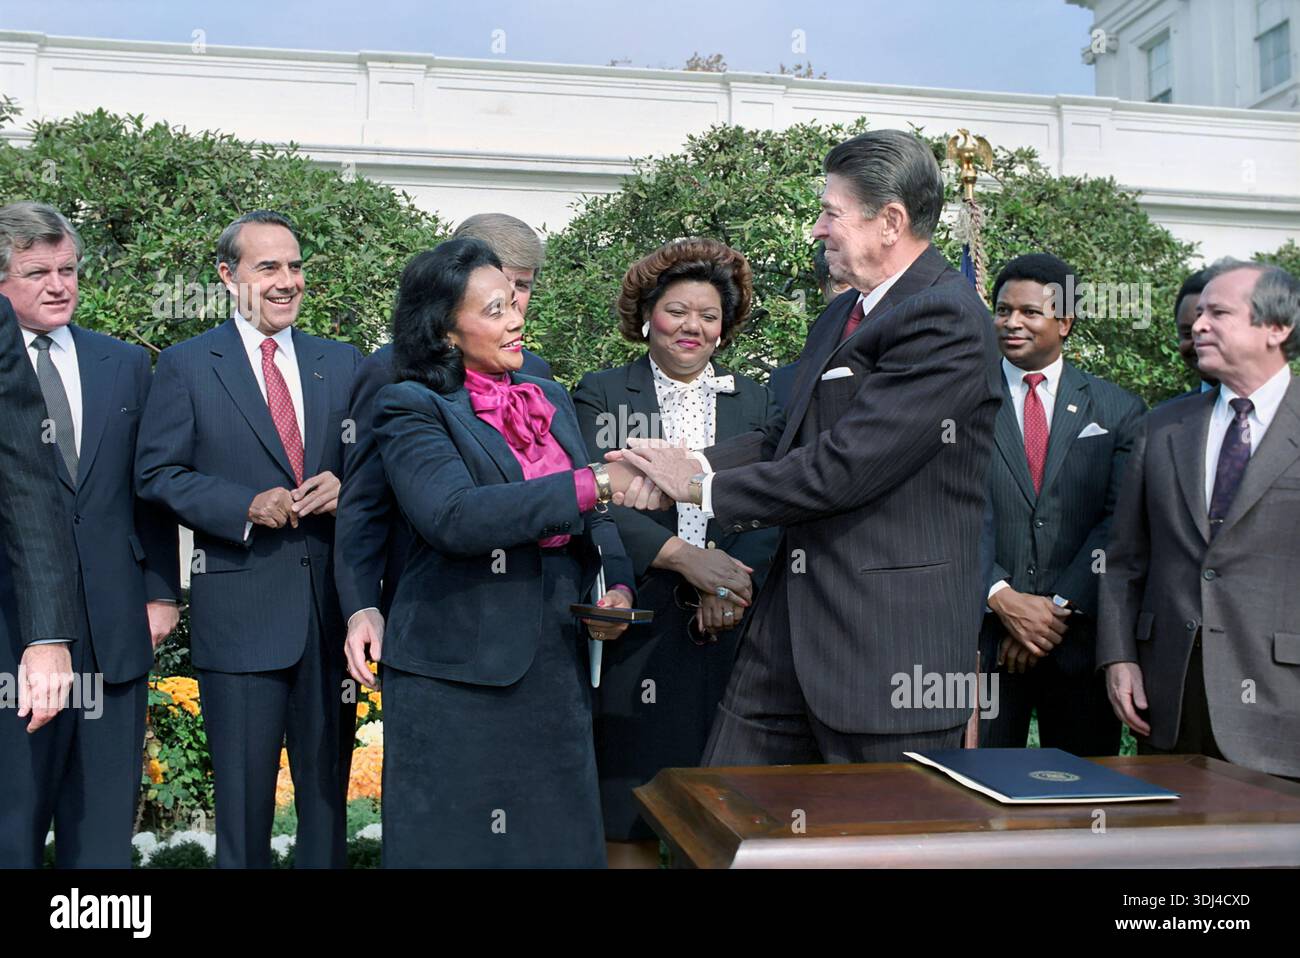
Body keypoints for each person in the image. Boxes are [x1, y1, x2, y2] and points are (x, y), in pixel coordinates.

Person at [615, 129, 1002, 765]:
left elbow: (846, 467)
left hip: (887, 651)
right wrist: (685, 464)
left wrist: (698, 489)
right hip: (786, 634)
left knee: (875, 850)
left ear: (890, 221)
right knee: (733, 820)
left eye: (830, 212)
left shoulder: (947, 319)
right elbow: (784, 436)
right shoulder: (842, 314)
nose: (816, 229)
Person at [372, 238, 641, 867]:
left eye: (515, 300)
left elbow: (595, 517)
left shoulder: (546, 393)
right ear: (444, 330)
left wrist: (618, 583)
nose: (517, 317)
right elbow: (454, 517)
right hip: (456, 671)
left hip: (554, 663)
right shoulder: (409, 406)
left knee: (558, 847)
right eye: (494, 309)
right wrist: (593, 480)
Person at [136, 210, 361, 867]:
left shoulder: (341, 362)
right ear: (227, 276)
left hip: (330, 617)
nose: (287, 280)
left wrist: (346, 488)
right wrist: (241, 505)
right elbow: (156, 474)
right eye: (269, 268)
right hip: (238, 619)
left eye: (294, 266)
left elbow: (377, 464)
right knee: (242, 817)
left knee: (327, 812)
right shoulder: (185, 365)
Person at [572, 238, 780, 868]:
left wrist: (728, 586)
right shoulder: (601, 392)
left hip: (736, 625)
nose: (694, 326)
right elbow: (594, 500)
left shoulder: (758, 399)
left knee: (727, 811)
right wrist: (686, 563)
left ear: (726, 328)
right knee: (628, 806)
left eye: (710, 315)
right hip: (638, 618)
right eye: (678, 311)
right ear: (646, 316)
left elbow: (774, 497)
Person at [0, 203, 180, 868]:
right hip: (13, 633)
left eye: (68, 270)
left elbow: (151, 487)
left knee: (103, 835)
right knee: (13, 826)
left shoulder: (125, 363)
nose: (58, 285)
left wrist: (163, 591)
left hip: (114, 632)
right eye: (37, 272)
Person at [1098, 259, 1300, 779]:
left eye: (1219, 313)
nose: (1199, 325)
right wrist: (1119, 659)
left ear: (1276, 328)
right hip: (1170, 702)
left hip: (1282, 707)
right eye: (1199, 313)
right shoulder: (1161, 427)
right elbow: (1124, 560)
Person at [335, 213, 552, 694]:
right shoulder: (391, 369)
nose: (516, 302)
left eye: (525, 286)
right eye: (504, 285)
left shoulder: (536, 374)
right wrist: (361, 606)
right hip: (430, 611)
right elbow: (363, 502)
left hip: (524, 621)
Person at [978, 253, 1145, 756]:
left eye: (1029, 312)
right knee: (972, 801)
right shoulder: (961, 401)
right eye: (1003, 310)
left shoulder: (1117, 410)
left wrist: (1048, 612)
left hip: (1078, 647)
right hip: (981, 645)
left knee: (1082, 802)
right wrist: (1004, 598)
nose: (1011, 322)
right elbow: (945, 509)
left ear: (1065, 321)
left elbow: (1119, 522)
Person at [769, 243, 851, 410]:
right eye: (843, 282)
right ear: (822, 286)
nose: (856, 292)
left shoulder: (904, 361)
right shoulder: (784, 382)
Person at [1168, 267, 1217, 400]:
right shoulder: (1164, 418)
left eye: (1209, 330)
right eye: (1187, 333)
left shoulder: (1277, 405)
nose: (1198, 343)